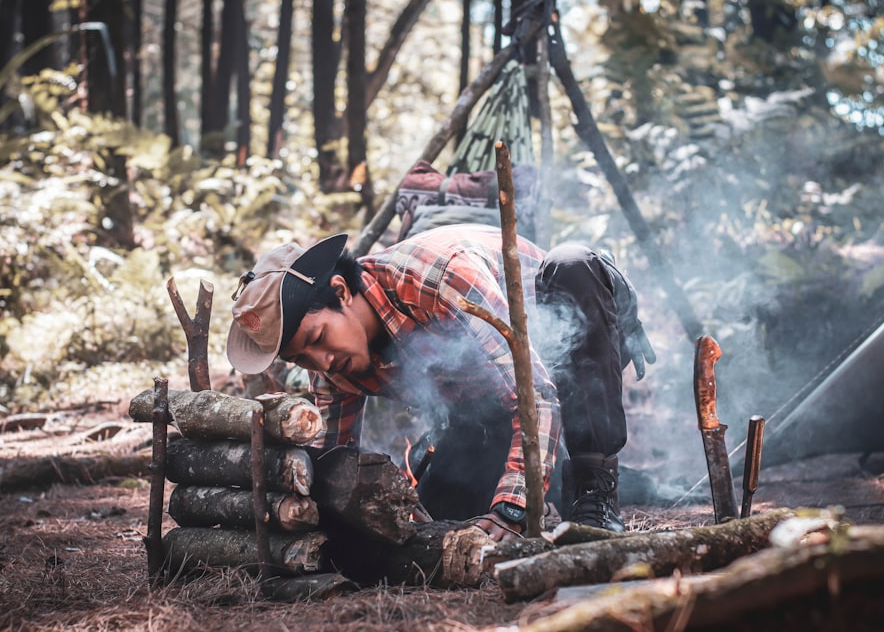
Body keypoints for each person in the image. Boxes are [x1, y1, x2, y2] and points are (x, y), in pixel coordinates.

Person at [226, 224, 654, 541]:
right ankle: (597, 481)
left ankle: (596, 485)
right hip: (488, 401)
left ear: (340, 292)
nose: (322, 362)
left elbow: (536, 394)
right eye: (301, 357)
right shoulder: (330, 363)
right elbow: (332, 456)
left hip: (565, 335)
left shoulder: (436, 280)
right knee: (446, 516)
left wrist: (510, 509)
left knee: (572, 265)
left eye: (318, 339)